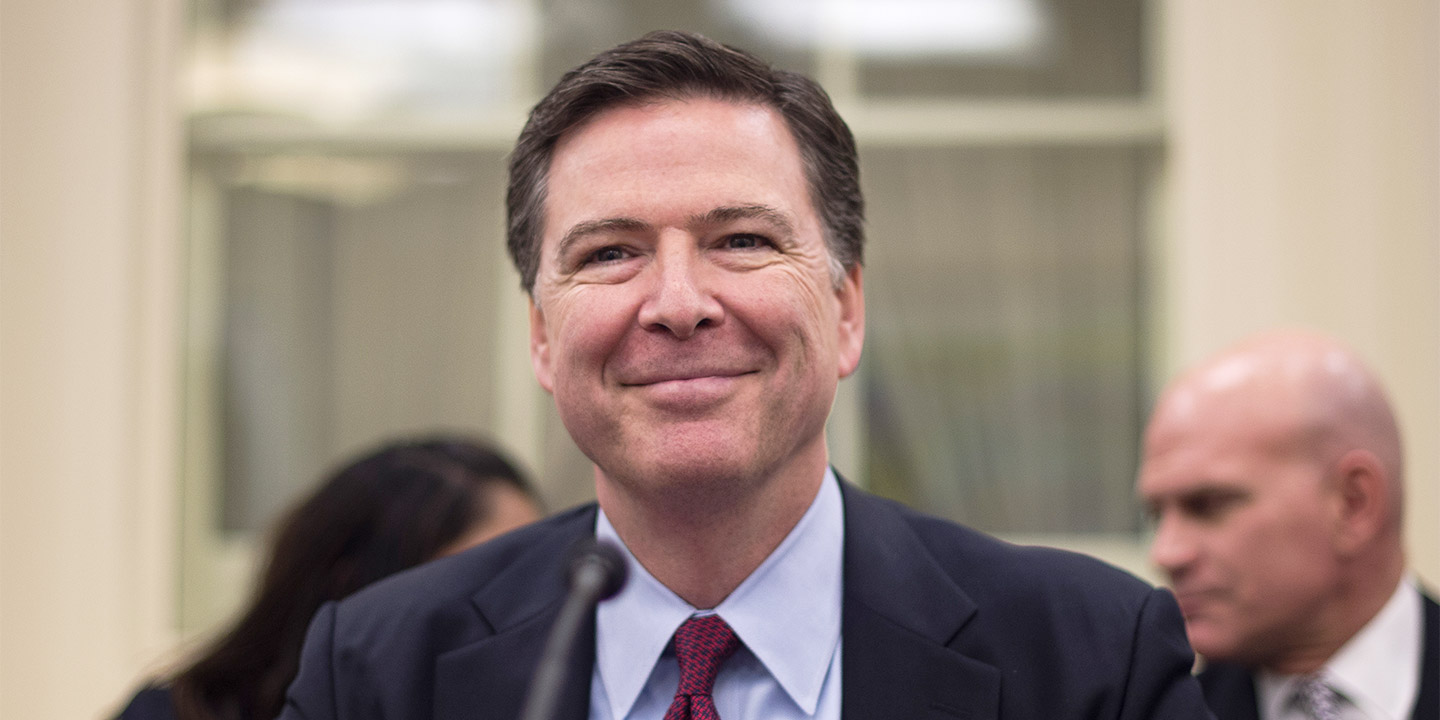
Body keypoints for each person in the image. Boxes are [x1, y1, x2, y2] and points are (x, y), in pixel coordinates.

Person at [280, 30, 1211, 720]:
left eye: (742, 241)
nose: (678, 303)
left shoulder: (1094, 662)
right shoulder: (372, 672)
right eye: (610, 253)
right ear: (539, 336)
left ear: (846, 312)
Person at [113, 436, 542, 720]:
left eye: (536, 572)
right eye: (483, 583)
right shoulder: (177, 711)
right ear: (352, 584)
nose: (522, 608)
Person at [1137, 330, 1438, 720]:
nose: (1166, 553)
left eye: (1208, 506)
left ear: (1353, 504)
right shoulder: (1162, 710)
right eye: (1157, 514)